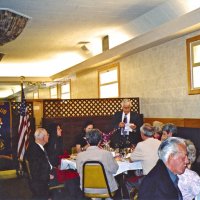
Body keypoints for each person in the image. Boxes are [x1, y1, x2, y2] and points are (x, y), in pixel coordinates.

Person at [76, 129, 119, 196]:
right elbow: (114, 170)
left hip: (87, 189)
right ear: (100, 141)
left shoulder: (80, 156)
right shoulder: (106, 154)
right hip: (106, 189)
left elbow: (79, 171)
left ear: (87, 141)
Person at [126, 123, 161, 192]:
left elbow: (131, 159)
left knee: (127, 182)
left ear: (142, 134)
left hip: (149, 179)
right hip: (161, 177)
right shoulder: (160, 143)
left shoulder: (141, 145)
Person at [26, 128, 54, 200]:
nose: (48, 136)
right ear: (43, 137)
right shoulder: (35, 151)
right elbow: (36, 171)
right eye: (47, 135)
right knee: (72, 178)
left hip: (44, 175)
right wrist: (48, 176)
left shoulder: (35, 147)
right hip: (42, 181)